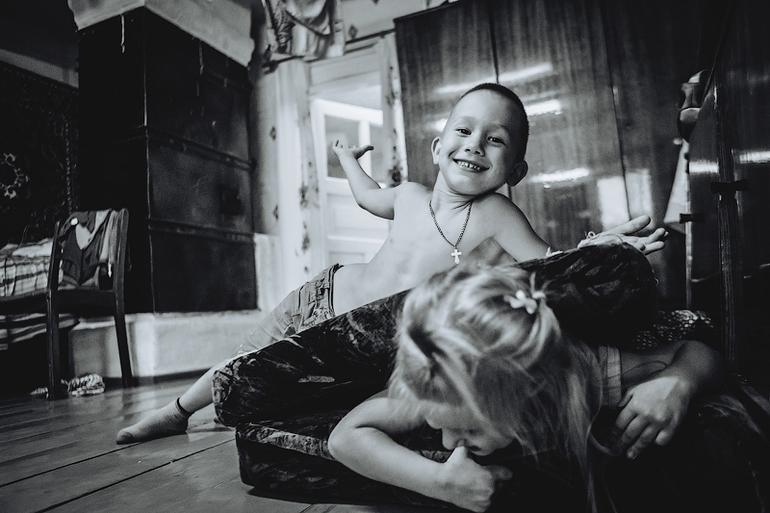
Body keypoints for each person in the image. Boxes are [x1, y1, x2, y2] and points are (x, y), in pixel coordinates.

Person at [117, 82, 667, 444]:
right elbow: (365, 196)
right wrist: (344, 160)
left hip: (371, 342)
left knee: (282, 386)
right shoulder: (408, 196)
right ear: (437, 148)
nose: (475, 145)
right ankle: (178, 410)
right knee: (248, 355)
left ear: (515, 171)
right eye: (463, 131)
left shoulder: (498, 214)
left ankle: (224, 408)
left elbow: (549, 267)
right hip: (322, 298)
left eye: (495, 140)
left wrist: (598, 246)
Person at [327, 261, 724, 513]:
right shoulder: (439, 384)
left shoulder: (591, 375)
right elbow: (345, 437)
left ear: (530, 390)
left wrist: (678, 381)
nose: (448, 442)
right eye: (440, 426)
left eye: (468, 429)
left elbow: (699, 350)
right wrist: (438, 483)